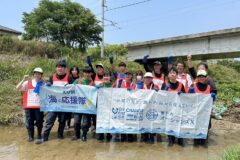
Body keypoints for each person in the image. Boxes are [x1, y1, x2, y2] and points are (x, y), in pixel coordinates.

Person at [42, 59, 74, 142]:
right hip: (53, 104)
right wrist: (48, 84)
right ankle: (45, 137)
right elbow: (47, 89)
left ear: (65, 68)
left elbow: (74, 90)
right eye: (58, 67)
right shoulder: (52, 77)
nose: (60, 68)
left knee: (62, 121)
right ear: (56, 68)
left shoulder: (69, 77)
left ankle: (60, 136)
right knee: (49, 120)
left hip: (64, 104)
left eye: (62, 67)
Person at [16, 67, 44, 144]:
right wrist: (23, 80)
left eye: (39, 74)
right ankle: (30, 136)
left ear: (41, 75)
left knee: (39, 121)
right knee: (29, 121)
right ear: (33, 74)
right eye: (36, 73)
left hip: (38, 106)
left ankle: (39, 135)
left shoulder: (43, 83)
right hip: (29, 106)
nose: (37, 75)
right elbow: (17, 88)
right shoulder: (27, 82)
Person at [188, 70, 216, 146]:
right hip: (196, 113)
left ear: (206, 77)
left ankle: (203, 147)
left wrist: (213, 97)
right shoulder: (193, 87)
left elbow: (212, 101)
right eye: (200, 76)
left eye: (203, 76)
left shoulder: (209, 87)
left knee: (205, 131)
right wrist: (188, 92)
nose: (201, 78)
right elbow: (188, 100)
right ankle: (196, 148)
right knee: (196, 132)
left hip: (206, 114)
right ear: (197, 77)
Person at [161, 67, 185, 147]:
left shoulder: (181, 85)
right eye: (171, 72)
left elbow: (186, 98)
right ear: (168, 75)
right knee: (169, 123)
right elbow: (161, 97)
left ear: (176, 74)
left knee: (179, 124)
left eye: (174, 72)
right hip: (169, 109)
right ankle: (171, 140)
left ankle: (180, 140)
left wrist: (183, 94)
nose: (172, 74)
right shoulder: (165, 85)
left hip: (179, 109)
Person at [72, 66, 94, 141]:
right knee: (76, 122)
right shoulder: (77, 81)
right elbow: (69, 89)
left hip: (87, 107)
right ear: (83, 73)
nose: (87, 74)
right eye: (86, 72)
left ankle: (84, 135)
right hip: (78, 106)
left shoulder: (93, 83)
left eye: (89, 72)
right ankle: (77, 135)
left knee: (85, 123)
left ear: (91, 73)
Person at [86, 56, 104, 133]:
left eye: (100, 68)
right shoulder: (94, 76)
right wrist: (89, 63)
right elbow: (91, 69)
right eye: (98, 68)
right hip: (95, 97)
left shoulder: (106, 76)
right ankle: (95, 125)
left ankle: (102, 125)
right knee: (94, 112)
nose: (99, 69)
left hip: (103, 98)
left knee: (102, 112)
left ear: (103, 69)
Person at [118, 70, 136, 142]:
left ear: (132, 76)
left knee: (130, 120)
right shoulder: (121, 82)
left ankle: (130, 135)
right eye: (126, 74)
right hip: (122, 105)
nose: (128, 76)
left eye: (129, 74)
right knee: (122, 120)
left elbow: (136, 94)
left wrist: (132, 91)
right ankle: (122, 135)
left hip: (130, 105)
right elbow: (116, 91)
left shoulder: (134, 84)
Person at [96, 70, 114, 142]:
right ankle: (100, 134)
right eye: (105, 75)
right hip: (101, 107)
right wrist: (96, 87)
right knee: (101, 120)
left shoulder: (114, 85)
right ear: (103, 77)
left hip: (110, 106)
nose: (106, 77)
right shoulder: (100, 85)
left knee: (109, 120)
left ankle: (108, 134)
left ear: (110, 77)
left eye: (108, 75)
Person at [142, 72, 159, 144]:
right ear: (144, 78)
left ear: (152, 79)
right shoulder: (141, 86)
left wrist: (157, 91)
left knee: (152, 121)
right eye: (147, 77)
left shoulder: (156, 86)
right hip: (143, 107)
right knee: (144, 121)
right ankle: (145, 136)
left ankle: (151, 136)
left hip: (153, 107)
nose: (148, 79)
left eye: (150, 78)